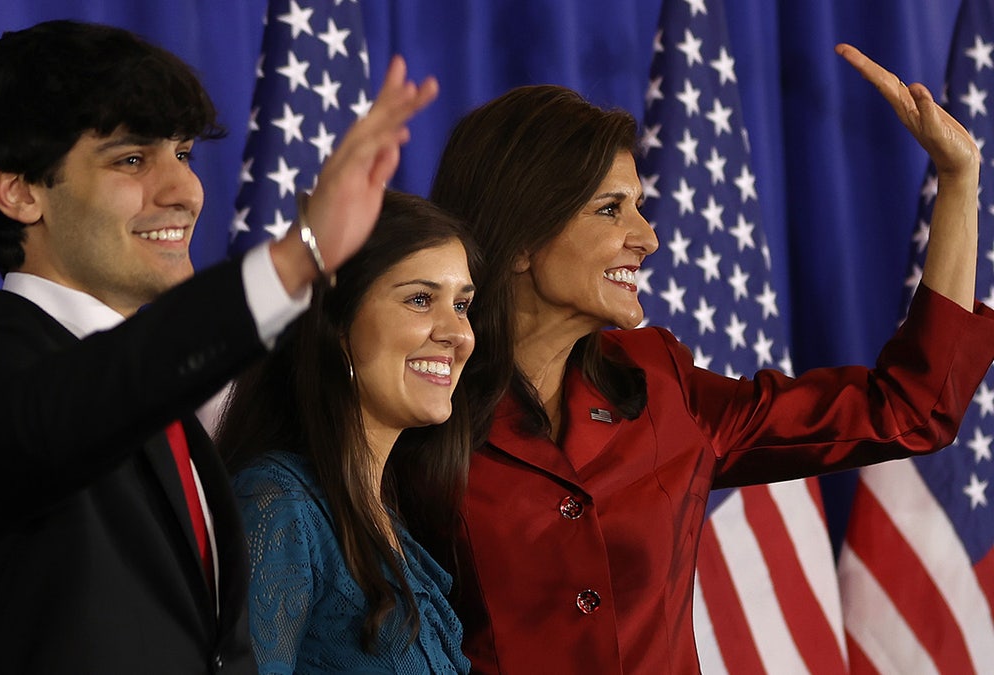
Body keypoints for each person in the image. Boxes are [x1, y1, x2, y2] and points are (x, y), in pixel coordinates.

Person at [424, 44, 994, 674]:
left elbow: (909, 410)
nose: (647, 238)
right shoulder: (417, 406)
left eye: (638, 207)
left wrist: (959, 180)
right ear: (521, 238)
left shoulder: (660, 385)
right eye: (611, 210)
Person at [0, 20, 437, 675]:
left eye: (181, 153)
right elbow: (75, 409)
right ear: (19, 191)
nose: (184, 192)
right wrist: (296, 260)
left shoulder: (167, 402)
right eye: (132, 159)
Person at [218, 191, 476, 674]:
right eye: (421, 300)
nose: (458, 334)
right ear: (336, 327)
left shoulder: (388, 519)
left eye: (462, 305)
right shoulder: (280, 506)